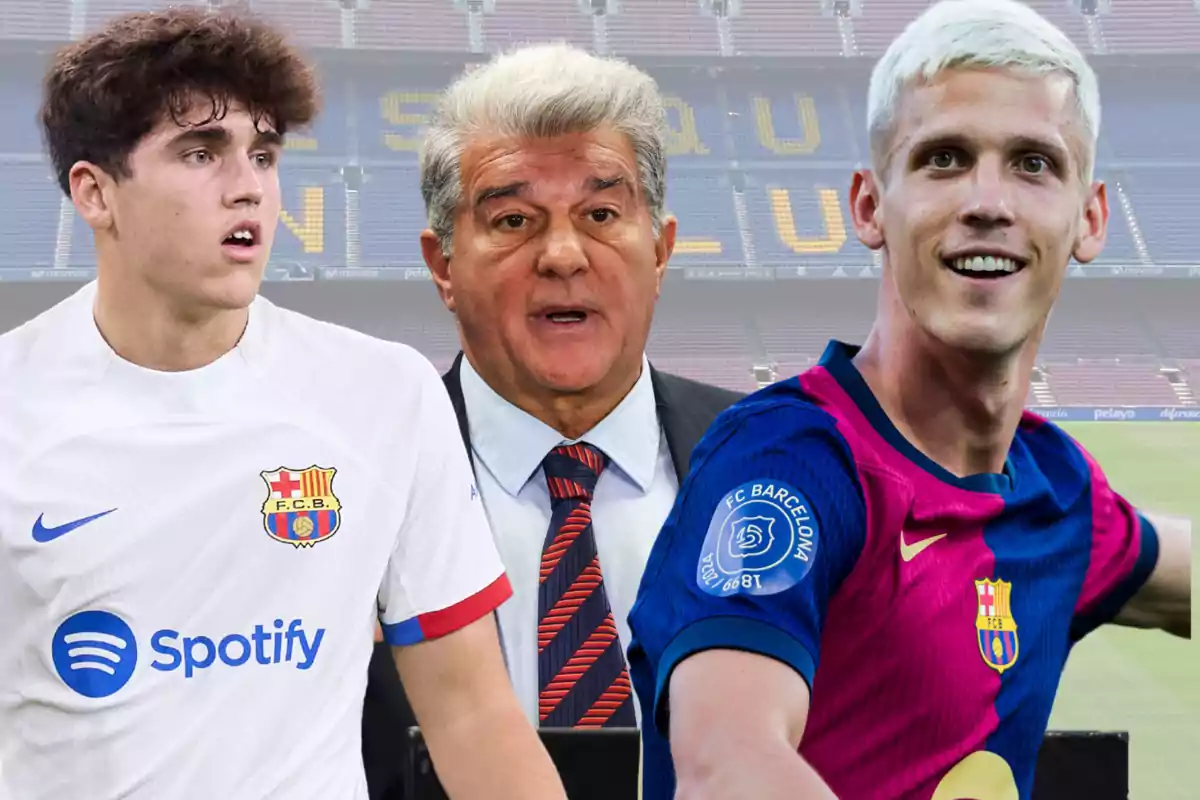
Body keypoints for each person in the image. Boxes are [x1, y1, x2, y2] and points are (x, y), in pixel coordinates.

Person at [626, 1, 1193, 798]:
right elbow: (728, 764)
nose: (987, 202)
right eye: (945, 158)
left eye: (1034, 163)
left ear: (1090, 218)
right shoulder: (792, 464)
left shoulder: (1057, 491)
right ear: (868, 207)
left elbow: (1180, 572)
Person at [0, 9, 564, 800]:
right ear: (95, 193)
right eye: (201, 153)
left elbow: (470, 713)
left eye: (263, 155)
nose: (249, 189)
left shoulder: (384, 395)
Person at [360, 43, 741, 798]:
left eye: (602, 213)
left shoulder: (779, 463)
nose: (563, 255)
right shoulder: (359, 484)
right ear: (442, 265)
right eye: (512, 220)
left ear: (660, 251)